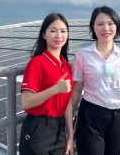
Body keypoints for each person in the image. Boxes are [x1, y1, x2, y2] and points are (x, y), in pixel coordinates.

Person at [71, 6, 120, 155]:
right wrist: (69, 120)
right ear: (93, 27)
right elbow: (77, 90)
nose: (106, 28)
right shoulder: (83, 55)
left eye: (110, 23)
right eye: (100, 24)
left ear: (116, 26)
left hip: (118, 117)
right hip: (90, 116)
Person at [19, 13, 74, 155]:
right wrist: (55, 89)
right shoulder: (36, 63)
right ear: (44, 34)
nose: (58, 35)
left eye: (63, 31)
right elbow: (26, 102)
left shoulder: (66, 66)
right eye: (53, 30)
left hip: (59, 129)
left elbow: (67, 103)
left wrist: (70, 135)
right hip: (38, 128)